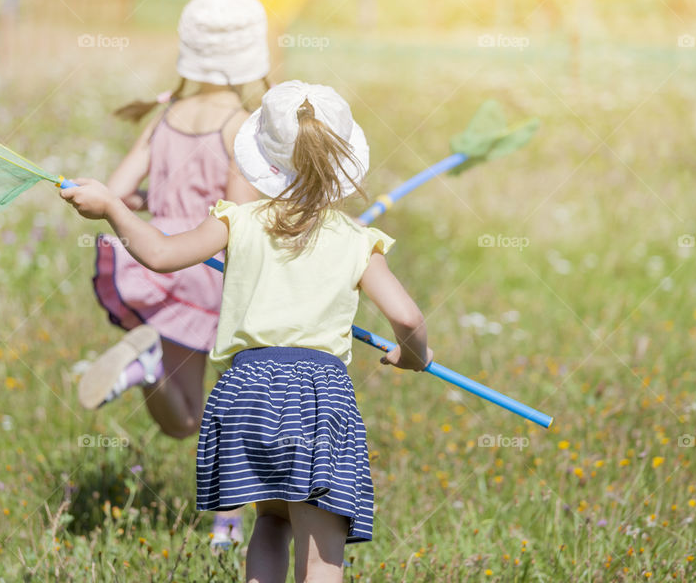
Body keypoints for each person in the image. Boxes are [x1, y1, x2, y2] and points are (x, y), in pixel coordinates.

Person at [62, 80, 433, 582]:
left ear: (265, 160)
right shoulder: (357, 240)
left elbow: (161, 254)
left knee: (272, 523)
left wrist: (113, 207)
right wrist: (413, 356)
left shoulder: (238, 221)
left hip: (246, 392)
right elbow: (408, 319)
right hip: (316, 397)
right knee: (321, 553)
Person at [81, 0, 269, 547]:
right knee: (229, 412)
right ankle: (226, 525)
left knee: (185, 419)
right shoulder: (240, 126)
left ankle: (145, 364)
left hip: (151, 260)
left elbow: (115, 192)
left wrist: (144, 205)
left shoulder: (165, 114)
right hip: (206, 272)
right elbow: (236, 221)